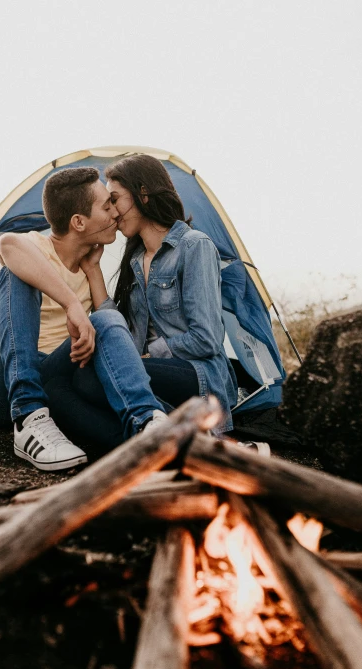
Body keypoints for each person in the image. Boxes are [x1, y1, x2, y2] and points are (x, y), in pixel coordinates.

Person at [0, 166, 168, 471]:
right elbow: (6, 244)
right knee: (14, 276)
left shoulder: (87, 268)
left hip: (48, 382)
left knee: (106, 319)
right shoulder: (35, 247)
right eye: (106, 205)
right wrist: (71, 304)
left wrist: (93, 272)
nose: (115, 213)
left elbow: (111, 326)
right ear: (79, 222)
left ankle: (148, 423)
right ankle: (27, 418)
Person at [46, 154, 237, 448]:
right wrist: (93, 269)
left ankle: (187, 442)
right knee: (57, 386)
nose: (111, 212)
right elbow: (120, 331)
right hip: (152, 372)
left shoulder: (193, 246)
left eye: (115, 199)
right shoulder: (135, 260)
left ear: (143, 194)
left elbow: (207, 339)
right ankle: (147, 446)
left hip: (198, 375)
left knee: (89, 382)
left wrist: (144, 358)